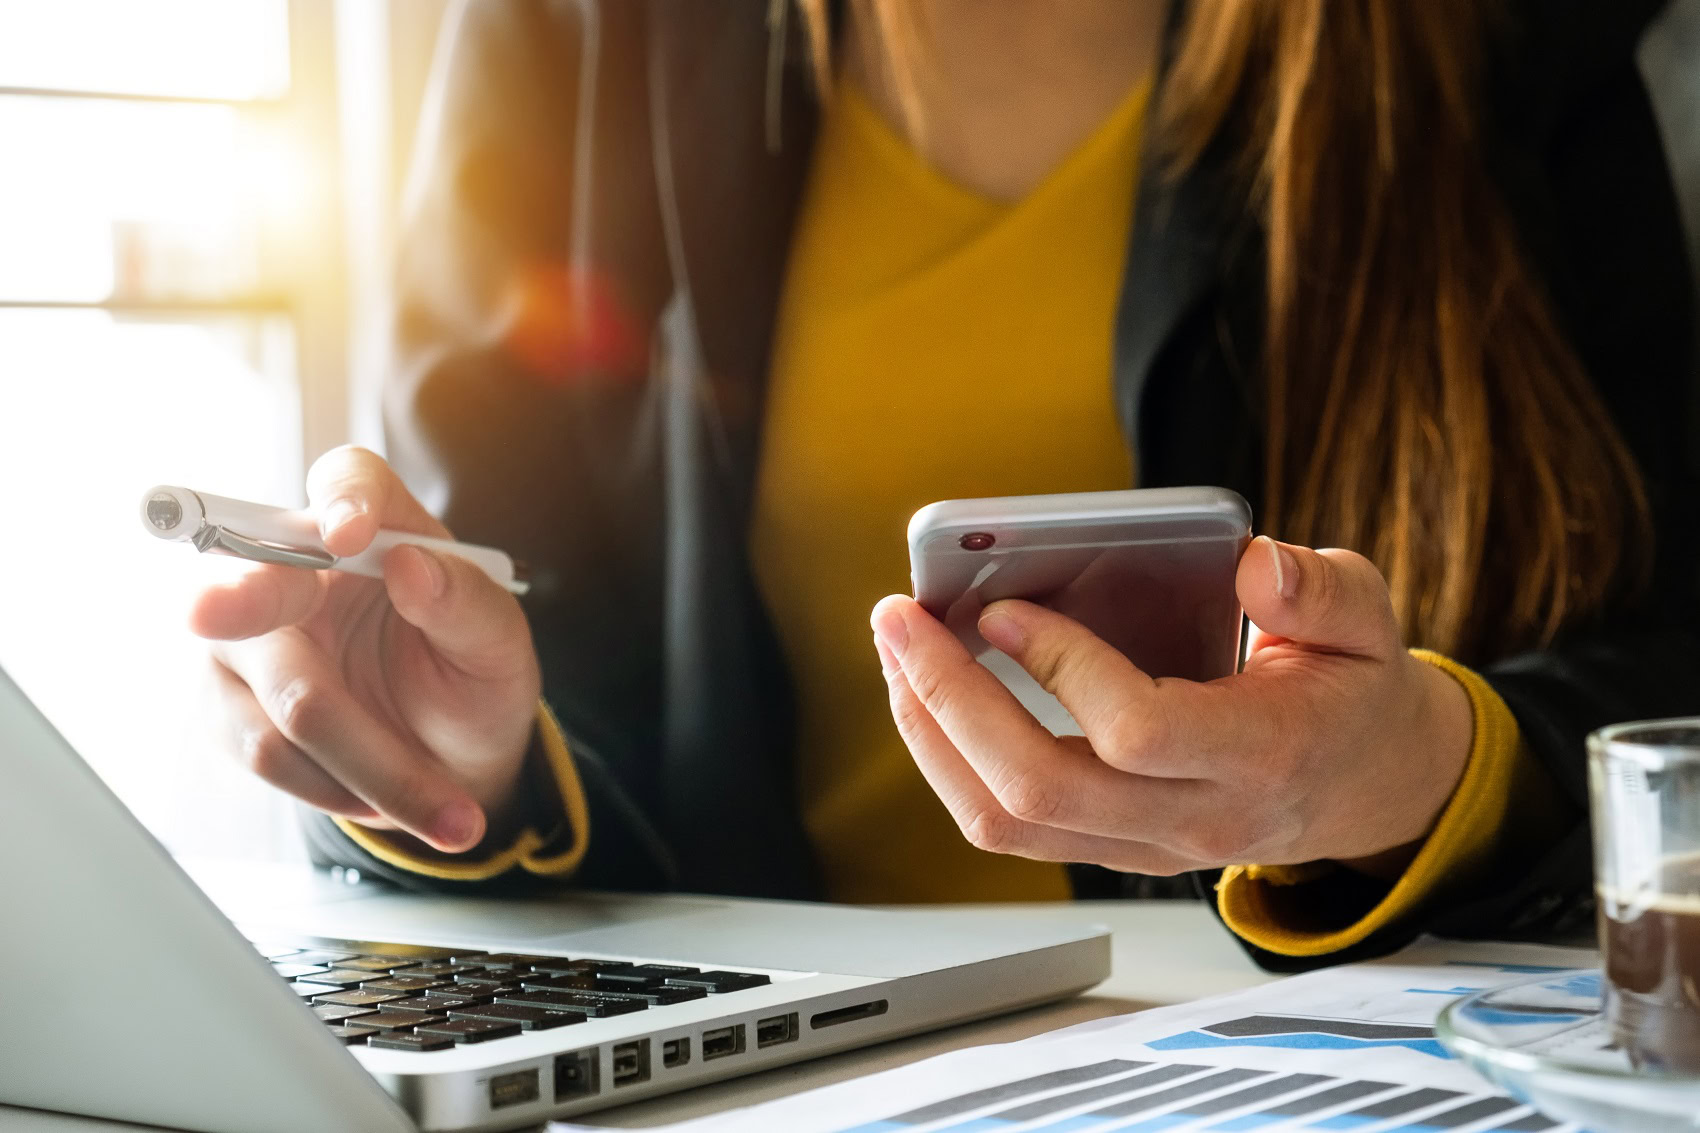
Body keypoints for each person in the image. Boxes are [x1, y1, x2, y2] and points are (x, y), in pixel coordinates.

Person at [191, 0, 1697, 970]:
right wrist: (455, 749)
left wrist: (1425, 764)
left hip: (1320, 1060)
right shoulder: (585, 33)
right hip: (777, 1083)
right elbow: (507, 639)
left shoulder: (1501, 39)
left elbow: (1667, 666)